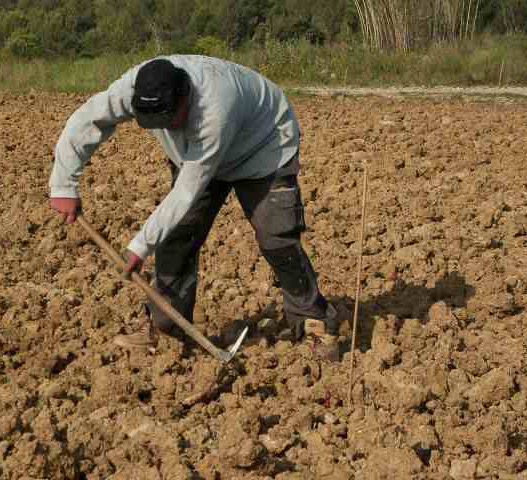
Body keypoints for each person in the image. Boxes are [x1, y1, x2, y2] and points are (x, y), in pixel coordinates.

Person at [49, 55, 339, 361]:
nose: (167, 129)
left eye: (171, 120)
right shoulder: (134, 88)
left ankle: (315, 324)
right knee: (177, 236)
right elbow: (86, 119)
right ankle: (165, 330)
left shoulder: (216, 107)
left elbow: (188, 188)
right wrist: (63, 185)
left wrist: (139, 246)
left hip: (263, 148)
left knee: (277, 238)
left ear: (185, 97)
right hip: (195, 155)